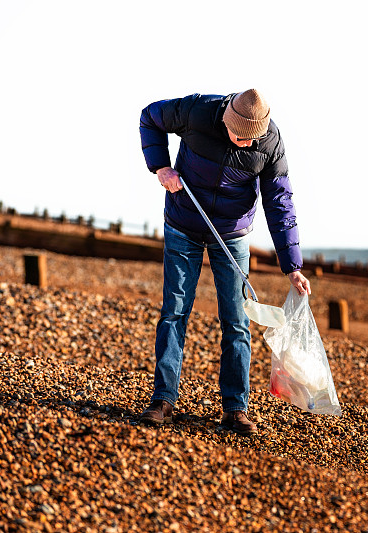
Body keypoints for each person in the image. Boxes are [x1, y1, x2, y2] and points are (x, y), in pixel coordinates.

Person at [138, 89, 311, 435]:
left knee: (235, 321)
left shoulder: (270, 141)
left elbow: (279, 200)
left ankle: (235, 408)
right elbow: (149, 117)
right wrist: (161, 167)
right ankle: (163, 399)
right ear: (226, 121)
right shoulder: (197, 111)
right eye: (239, 137)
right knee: (174, 311)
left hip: (232, 236)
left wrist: (292, 266)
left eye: (252, 140)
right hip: (183, 223)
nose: (246, 144)